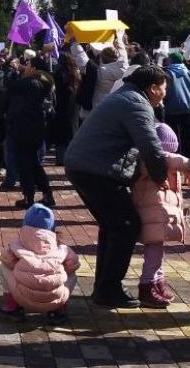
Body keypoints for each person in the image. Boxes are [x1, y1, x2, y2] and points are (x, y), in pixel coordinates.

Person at [65, 65, 169, 309]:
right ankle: (109, 288)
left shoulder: (125, 97)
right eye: (164, 88)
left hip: (86, 167)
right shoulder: (137, 103)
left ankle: (104, 286)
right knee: (126, 225)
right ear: (153, 88)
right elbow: (150, 145)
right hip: (95, 171)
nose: (165, 93)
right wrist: (159, 175)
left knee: (114, 226)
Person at [131, 122, 190, 308]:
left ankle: (158, 281)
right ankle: (147, 284)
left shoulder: (164, 167)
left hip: (159, 218)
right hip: (153, 216)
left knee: (158, 252)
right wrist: (187, 164)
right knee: (153, 253)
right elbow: (169, 159)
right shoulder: (149, 161)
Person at [0, 203, 80, 323]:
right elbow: (73, 264)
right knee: (72, 275)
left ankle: (12, 305)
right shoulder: (61, 248)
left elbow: (6, 258)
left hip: (22, 297)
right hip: (55, 299)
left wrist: (21, 268)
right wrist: (58, 272)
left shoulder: (16, 244)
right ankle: (59, 310)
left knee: (3, 267)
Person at [5, 57, 56, 208]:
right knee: (33, 163)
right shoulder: (43, 83)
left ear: (34, 69)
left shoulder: (31, 83)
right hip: (35, 129)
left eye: (27, 65)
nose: (24, 67)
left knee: (25, 164)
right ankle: (47, 195)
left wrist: (12, 70)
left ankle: (29, 196)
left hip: (25, 130)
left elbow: (10, 85)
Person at [163, 50, 190, 166]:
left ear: (170, 60)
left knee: (172, 138)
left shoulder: (167, 73)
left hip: (171, 110)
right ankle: (189, 164)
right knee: (188, 138)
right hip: (188, 110)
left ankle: (175, 163)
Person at [51, 53, 81, 165]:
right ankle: (72, 157)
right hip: (73, 104)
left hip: (60, 104)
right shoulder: (76, 73)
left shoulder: (58, 73)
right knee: (72, 130)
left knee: (61, 132)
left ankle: (60, 158)